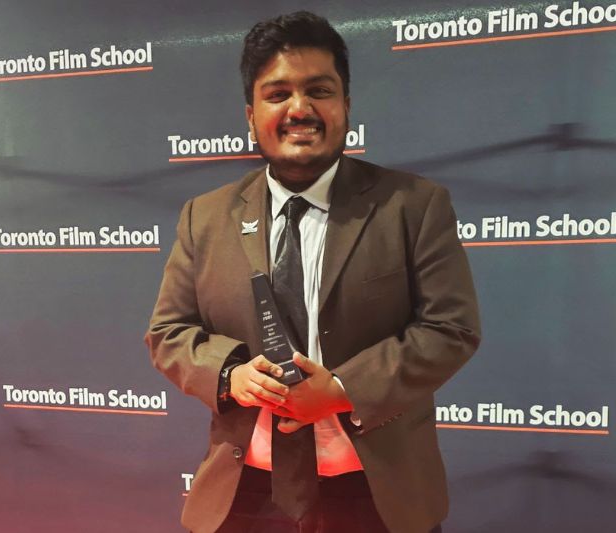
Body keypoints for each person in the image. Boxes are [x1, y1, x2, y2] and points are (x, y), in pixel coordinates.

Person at [146, 11, 481, 533]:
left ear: (346, 106)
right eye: (277, 94)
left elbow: (451, 330)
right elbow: (168, 334)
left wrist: (343, 387)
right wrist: (233, 374)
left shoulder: (413, 206)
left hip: (377, 495)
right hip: (247, 495)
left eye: (319, 90)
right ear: (251, 115)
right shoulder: (205, 216)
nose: (299, 109)